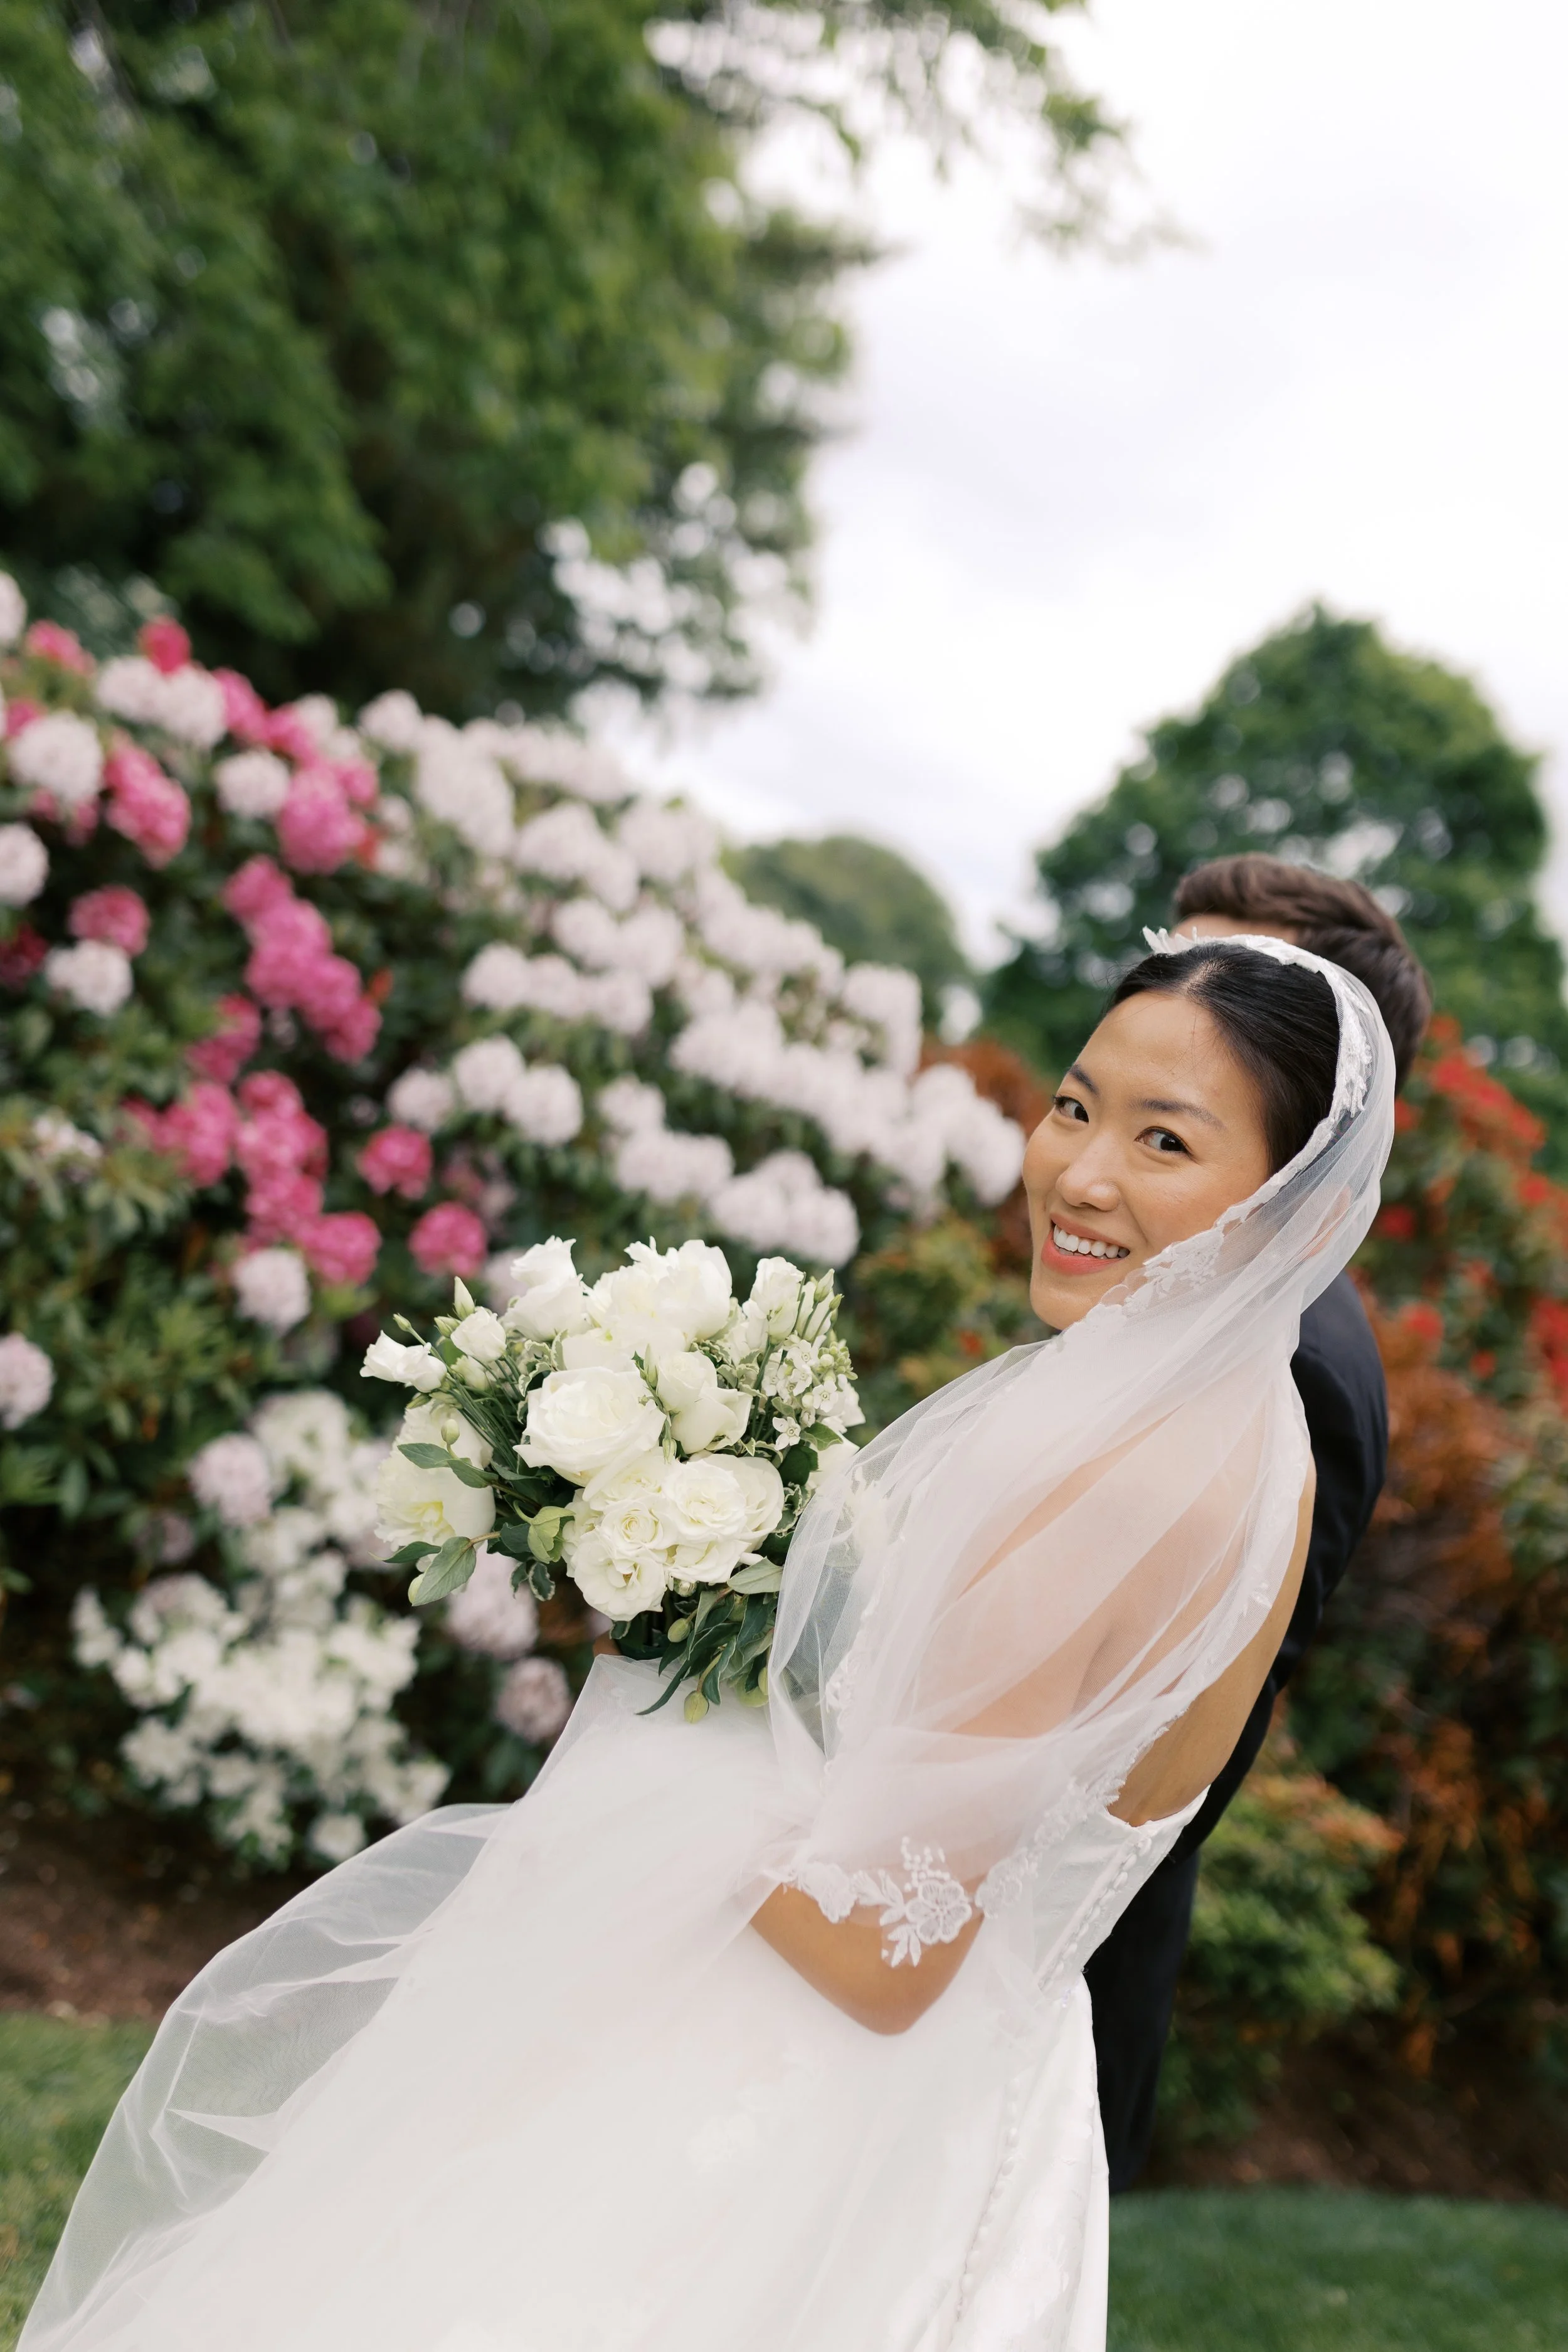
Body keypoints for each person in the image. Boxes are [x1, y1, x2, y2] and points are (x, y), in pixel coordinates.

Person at [23, 935, 1394, 2352]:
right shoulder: (1247, 1436)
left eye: (1161, 1138)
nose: (1081, 1173)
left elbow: (881, 1953)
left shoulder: (1107, 1472)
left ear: (1285, 1201)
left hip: (803, 2116)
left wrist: (670, 1680)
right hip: (985, 2102)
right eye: (1072, 1105)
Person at [1086, 854, 1432, 2191]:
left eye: (1246, 979)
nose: (1181, 994)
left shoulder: (1297, 1362)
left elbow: (1176, 1738)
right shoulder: (1165, 1286)